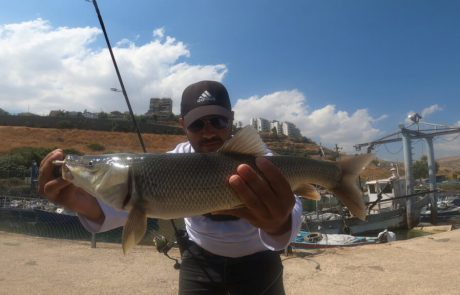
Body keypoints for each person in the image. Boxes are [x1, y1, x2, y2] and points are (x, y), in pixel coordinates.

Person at [39, 80, 303, 295]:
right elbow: (130, 204)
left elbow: (292, 210)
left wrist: (279, 224)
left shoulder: (260, 159)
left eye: (218, 122)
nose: (209, 132)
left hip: (259, 260)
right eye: (197, 124)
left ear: (231, 120)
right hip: (200, 257)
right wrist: (80, 202)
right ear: (183, 125)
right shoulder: (174, 158)